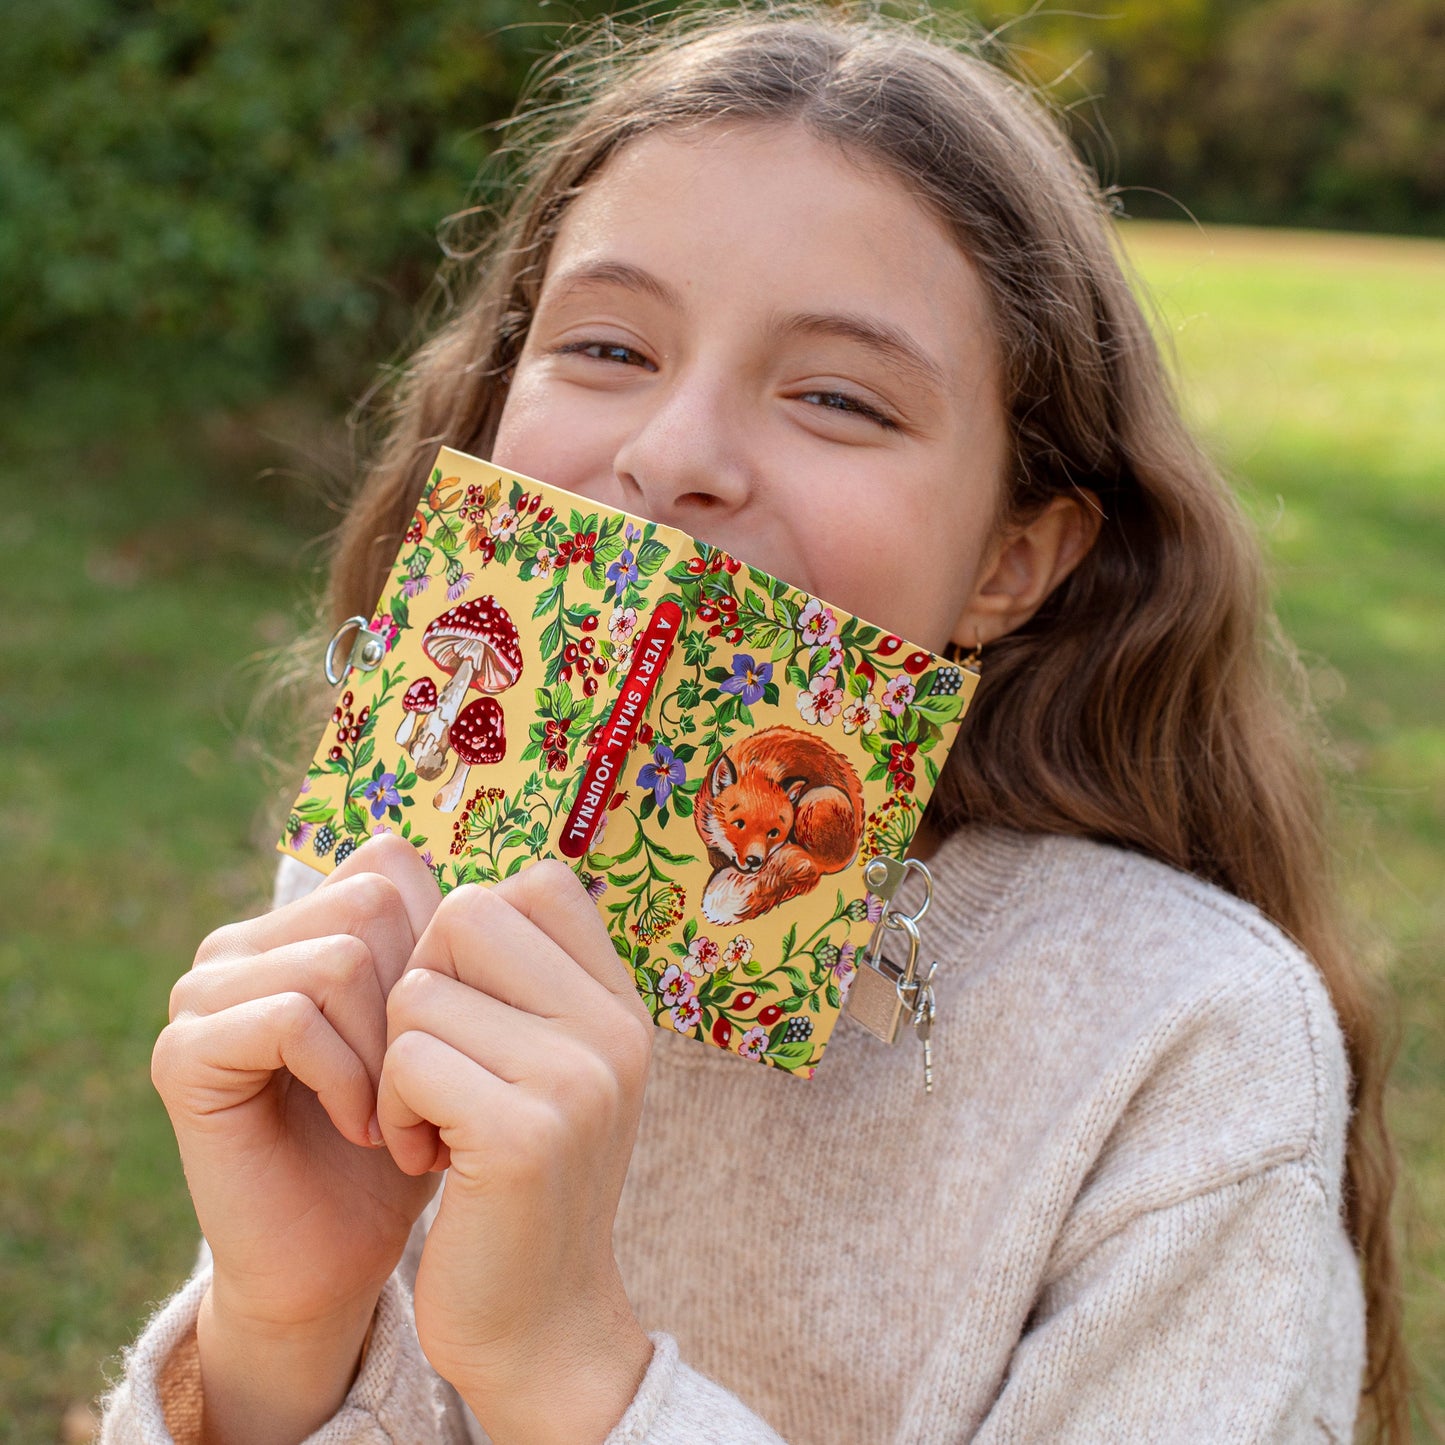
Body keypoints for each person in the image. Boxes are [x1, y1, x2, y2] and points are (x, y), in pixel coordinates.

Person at [100, 8, 1408, 1443]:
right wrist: (282, 1331)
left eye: (837, 396)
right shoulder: (397, 867)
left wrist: (568, 1370)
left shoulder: (1185, 1039)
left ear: (1010, 557)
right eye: (605, 345)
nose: (672, 455)